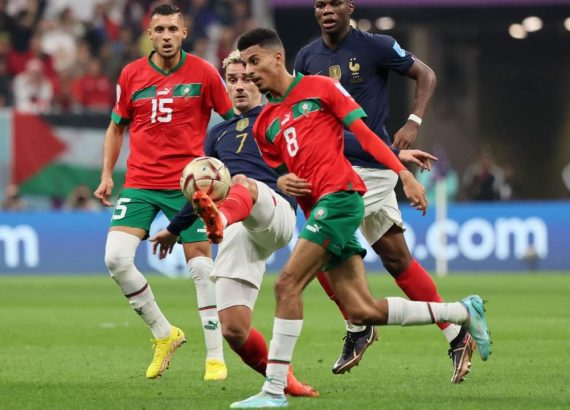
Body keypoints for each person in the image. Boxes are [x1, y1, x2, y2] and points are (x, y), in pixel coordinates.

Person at [223, 28, 490, 408]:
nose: (248, 72)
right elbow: (281, 171)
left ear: (277, 58)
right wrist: (282, 180)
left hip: (341, 198)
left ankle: (273, 391)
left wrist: (403, 173)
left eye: (254, 61)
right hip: (317, 208)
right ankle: (463, 312)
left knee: (287, 285)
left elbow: (365, 135)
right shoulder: (264, 123)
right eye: (243, 65)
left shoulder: (321, 88)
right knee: (363, 309)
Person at [288, 0, 474, 383]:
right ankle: (457, 334)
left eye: (334, 3)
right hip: (334, 168)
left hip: (366, 172)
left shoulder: (375, 46)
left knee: (314, 250)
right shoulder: (307, 57)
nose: (327, 10)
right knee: (396, 259)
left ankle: (358, 325)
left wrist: (413, 121)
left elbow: (426, 74)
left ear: (349, 7)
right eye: (320, 4)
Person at [149, 50, 317, 397]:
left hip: (274, 212)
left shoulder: (280, 117)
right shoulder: (218, 134)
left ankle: (221, 216)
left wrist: (390, 154)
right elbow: (201, 192)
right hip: (236, 228)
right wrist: (174, 229)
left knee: (241, 182)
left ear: (260, 82)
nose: (240, 86)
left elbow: (329, 147)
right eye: (233, 80)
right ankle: (285, 381)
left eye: (247, 79)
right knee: (233, 329)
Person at [93, 4, 233, 382]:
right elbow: (116, 127)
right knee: (116, 259)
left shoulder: (204, 73)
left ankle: (215, 358)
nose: (167, 36)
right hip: (140, 183)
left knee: (201, 268)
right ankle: (164, 333)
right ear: (149, 34)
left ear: (184, 32)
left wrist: (222, 168)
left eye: (173, 29)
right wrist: (107, 174)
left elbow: (233, 120)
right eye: (160, 29)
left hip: (189, 186)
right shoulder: (131, 74)